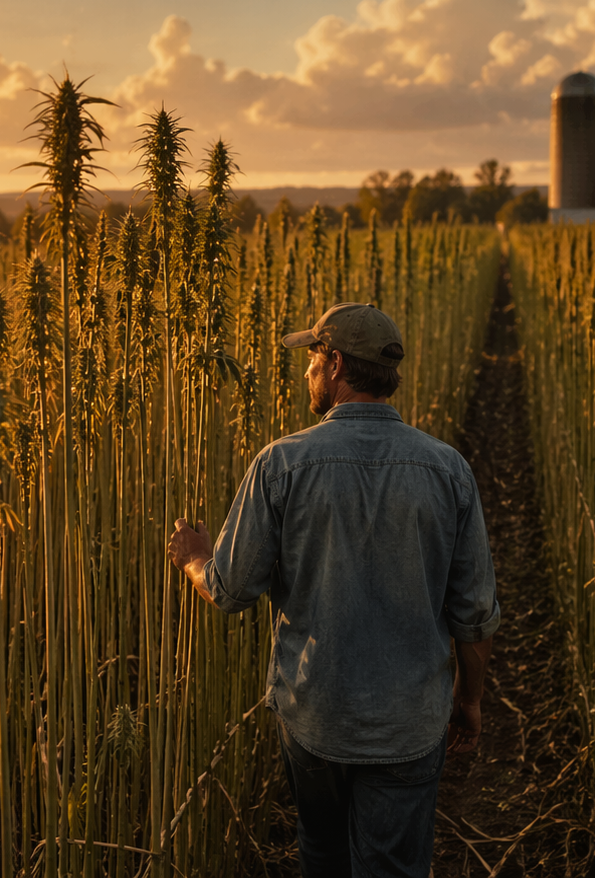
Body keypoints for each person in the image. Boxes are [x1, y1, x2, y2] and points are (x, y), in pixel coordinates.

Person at [167, 301, 500, 878]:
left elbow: (229, 589)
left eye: (312, 359)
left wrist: (196, 558)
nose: (305, 373)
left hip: (314, 717)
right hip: (409, 724)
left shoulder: (281, 465)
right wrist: (468, 702)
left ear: (337, 364)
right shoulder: (448, 470)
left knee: (322, 855)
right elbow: (474, 616)